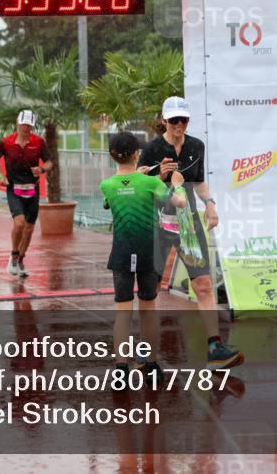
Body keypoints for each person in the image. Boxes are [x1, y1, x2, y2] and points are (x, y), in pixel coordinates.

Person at [138, 96, 243, 369]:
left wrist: (210, 204)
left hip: (186, 221)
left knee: (204, 284)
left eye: (183, 120)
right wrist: (159, 175)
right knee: (149, 290)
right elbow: (139, 182)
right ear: (164, 120)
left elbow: (198, 182)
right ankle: (145, 351)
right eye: (173, 120)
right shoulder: (151, 149)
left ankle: (215, 347)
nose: (178, 125)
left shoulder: (196, 146)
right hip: (157, 222)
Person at [101, 132, 186, 386]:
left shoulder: (106, 185)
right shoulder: (151, 184)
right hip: (149, 253)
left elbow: (112, 199)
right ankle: (150, 365)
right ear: (137, 153)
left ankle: (120, 369)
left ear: (112, 155)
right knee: (148, 310)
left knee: (123, 313)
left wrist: (138, 174)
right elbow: (178, 202)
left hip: (121, 254)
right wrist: (178, 183)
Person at [0, 110, 52, 277]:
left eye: (29, 126)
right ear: (18, 123)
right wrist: (0, 175)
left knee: (30, 228)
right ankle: (13, 255)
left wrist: (42, 169)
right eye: (23, 125)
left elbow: (49, 161)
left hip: (33, 189)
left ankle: (21, 259)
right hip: (14, 189)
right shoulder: (7, 142)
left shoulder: (38, 142)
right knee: (19, 224)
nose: (26, 128)